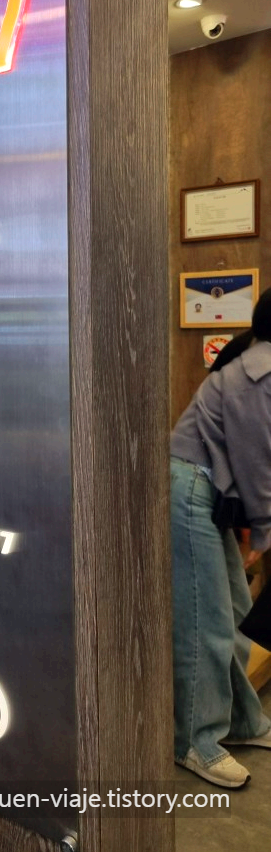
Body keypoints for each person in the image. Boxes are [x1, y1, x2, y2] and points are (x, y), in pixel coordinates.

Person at [171, 288, 271, 788]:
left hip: (213, 490)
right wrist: (265, 531)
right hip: (191, 486)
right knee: (204, 620)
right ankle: (195, 740)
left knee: (233, 609)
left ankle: (240, 721)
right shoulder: (261, 370)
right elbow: (257, 459)